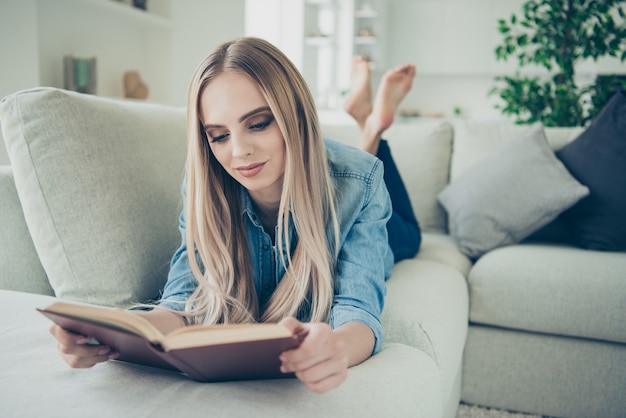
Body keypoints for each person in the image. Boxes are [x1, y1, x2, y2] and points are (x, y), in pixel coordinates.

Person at [49, 37, 420, 394]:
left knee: (407, 236)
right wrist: (114, 331)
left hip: (359, 207)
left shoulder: (361, 181)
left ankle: (371, 131)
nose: (239, 152)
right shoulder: (204, 184)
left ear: (294, 114)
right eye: (219, 135)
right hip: (334, 176)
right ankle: (368, 127)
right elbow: (182, 301)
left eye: (258, 123)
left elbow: (358, 309)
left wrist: (336, 349)